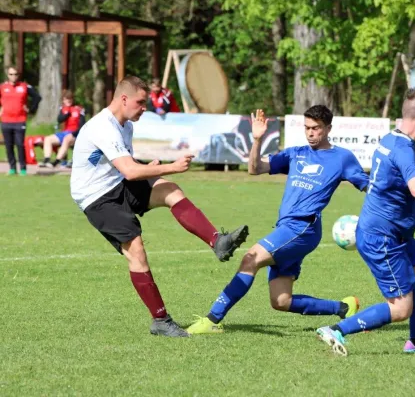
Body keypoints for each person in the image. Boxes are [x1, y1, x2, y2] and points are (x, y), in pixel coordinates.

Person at [70, 76, 249, 337]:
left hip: (116, 183)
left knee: (169, 189)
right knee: (137, 251)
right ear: (123, 99)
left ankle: (217, 241)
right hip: (96, 197)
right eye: (141, 102)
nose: (146, 108)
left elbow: (126, 165)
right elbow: (130, 171)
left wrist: (150, 169)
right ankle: (160, 320)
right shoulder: (102, 127)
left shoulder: (125, 125)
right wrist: (172, 166)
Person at [187, 106, 369, 335]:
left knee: (250, 259)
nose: (310, 133)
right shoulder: (296, 153)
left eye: (316, 128)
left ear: (328, 128)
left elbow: (367, 186)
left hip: (303, 227)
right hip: (287, 228)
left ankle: (211, 320)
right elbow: (255, 168)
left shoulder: (342, 158)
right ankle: (344, 308)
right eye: (307, 128)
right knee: (281, 301)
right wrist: (257, 139)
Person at [316, 89, 415, 356]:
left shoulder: (390, 139)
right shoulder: (403, 149)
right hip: (382, 238)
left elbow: (397, 183)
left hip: (393, 233)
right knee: (400, 308)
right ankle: (336, 329)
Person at [0, 65, 42, 176]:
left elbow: (37, 97)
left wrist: (31, 109)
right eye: (11, 74)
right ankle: (12, 168)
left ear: (18, 75)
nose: (13, 76)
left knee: (19, 144)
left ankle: (23, 168)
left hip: (19, 120)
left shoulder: (24, 86)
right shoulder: (2, 87)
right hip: (6, 121)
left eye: (15, 74)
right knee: (8, 145)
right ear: (7, 75)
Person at [39, 90, 85, 168]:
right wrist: (67, 113)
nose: (68, 100)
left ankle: (56, 161)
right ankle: (46, 160)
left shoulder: (79, 109)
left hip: (75, 134)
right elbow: (60, 120)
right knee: (48, 139)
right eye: (66, 99)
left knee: (66, 139)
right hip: (65, 132)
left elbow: (82, 126)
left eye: (70, 99)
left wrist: (73, 134)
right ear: (63, 100)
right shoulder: (63, 109)